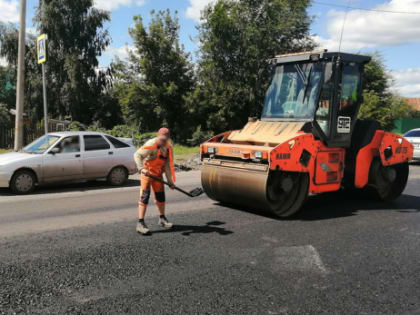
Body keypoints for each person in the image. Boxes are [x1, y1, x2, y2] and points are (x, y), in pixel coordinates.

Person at [133, 128, 176, 235]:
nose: (163, 141)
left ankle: (162, 219)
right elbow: (137, 155)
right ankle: (140, 223)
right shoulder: (151, 144)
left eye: (165, 139)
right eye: (161, 139)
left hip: (158, 175)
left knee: (161, 197)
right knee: (144, 197)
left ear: (168, 138)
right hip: (147, 174)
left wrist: (170, 181)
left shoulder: (169, 148)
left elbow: (167, 166)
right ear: (158, 136)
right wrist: (141, 169)